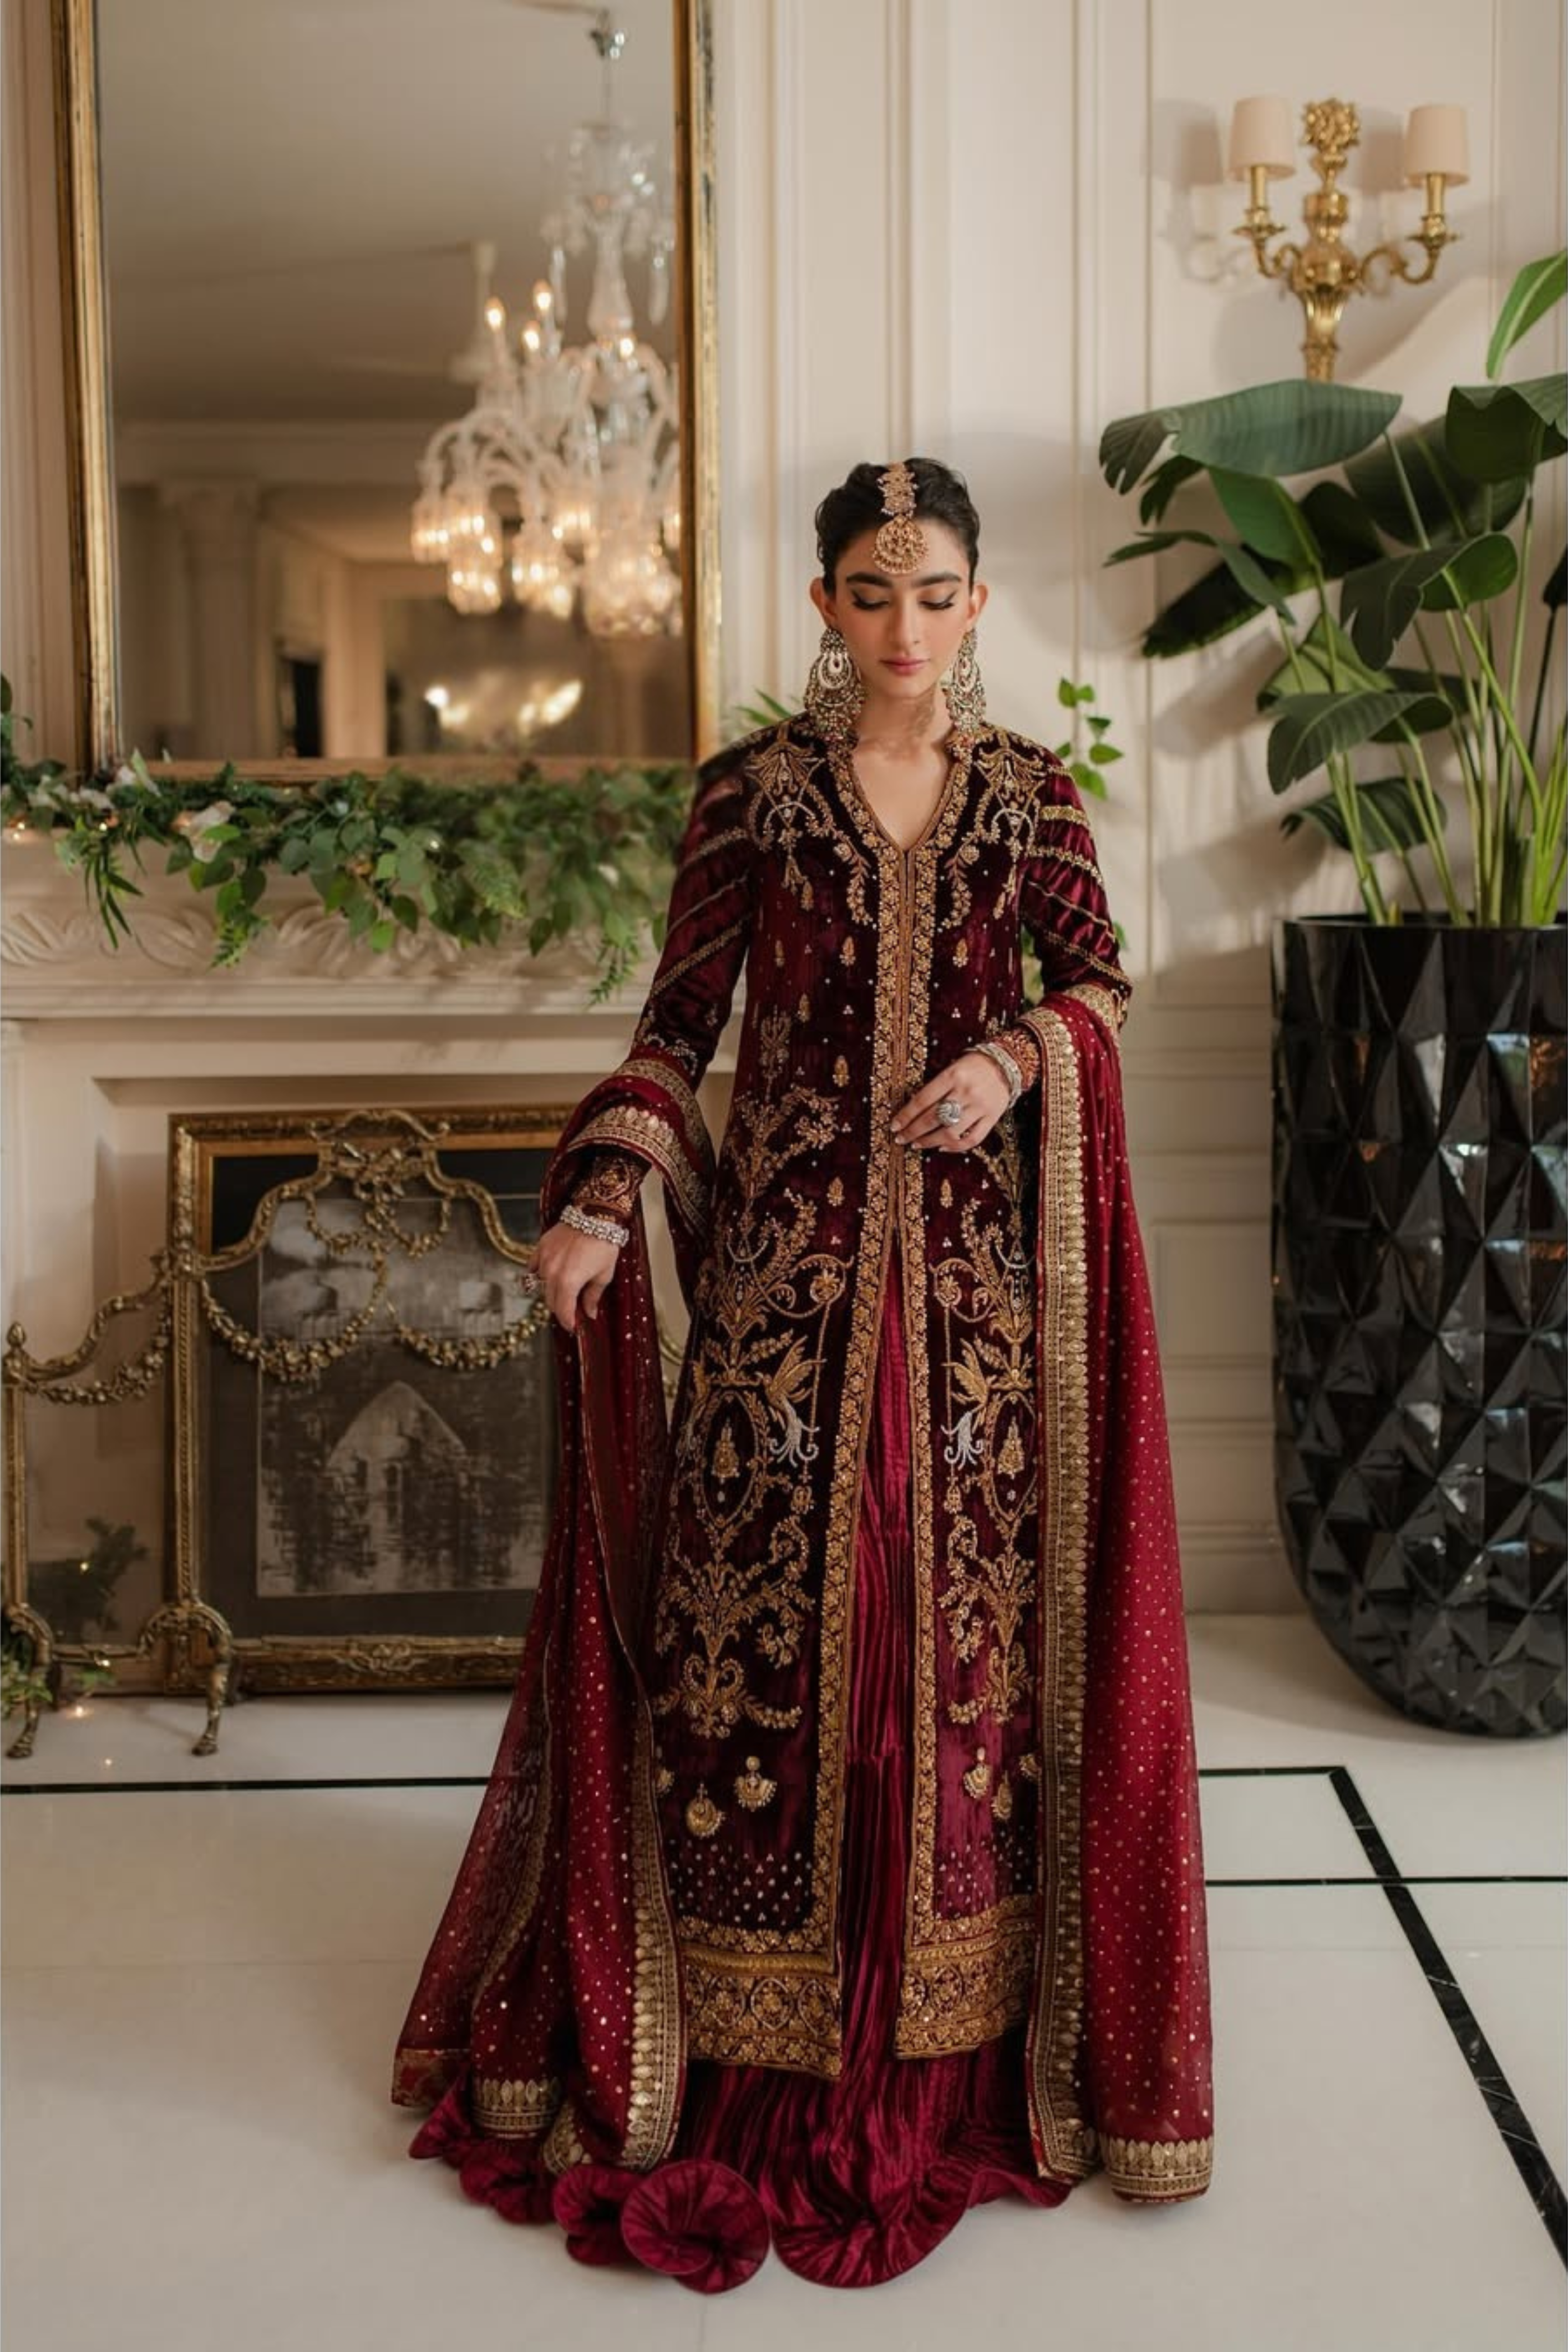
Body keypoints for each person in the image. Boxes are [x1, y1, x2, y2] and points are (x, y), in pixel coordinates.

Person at [390, 458, 1214, 2292]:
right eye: (868, 592)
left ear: (981, 603)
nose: (905, 626)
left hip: (984, 1313)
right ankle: (750, 2042)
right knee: (766, 1628)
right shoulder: (752, 798)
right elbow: (681, 1025)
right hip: (783, 1302)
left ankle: (954, 2041)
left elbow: (1102, 991)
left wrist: (1013, 1063)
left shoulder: (1032, 801)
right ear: (824, 607)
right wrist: (606, 1195)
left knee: (953, 1629)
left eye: (935, 594)